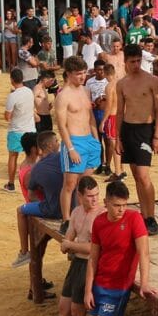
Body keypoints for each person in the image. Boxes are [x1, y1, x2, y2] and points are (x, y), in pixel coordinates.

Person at [72, 179, 157, 316]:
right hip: (99, 284)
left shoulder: (134, 219)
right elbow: (93, 258)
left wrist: (144, 282)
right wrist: (88, 289)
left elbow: (144, 254)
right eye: (117, 205)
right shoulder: (99, 223)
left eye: (124, 205)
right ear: (107, 203)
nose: (122, 210)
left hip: (118, 288)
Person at [31, 174, 105, 316]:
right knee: (64, 307)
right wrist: (69, 243)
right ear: (80, 196)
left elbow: (95, 248)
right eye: (90, 196)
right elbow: (70, 236)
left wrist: (70, 245)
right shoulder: (77, 212)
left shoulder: (100, 216)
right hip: (77, 265)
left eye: (96, 195)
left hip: (88, 266)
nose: (94, 199)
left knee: (76, 312)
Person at [115, 44, 158, 234]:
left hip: (145, 129)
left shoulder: (152, 81)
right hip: (128, 129)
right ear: (125, 61)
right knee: (136, 176)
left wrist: (157, 136)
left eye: (138, 61)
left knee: (144, 176)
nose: (136, 64)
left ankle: (151, 216)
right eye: (132, 61)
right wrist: (118, 138)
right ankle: (144, 215)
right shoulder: (122, 84)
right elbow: (119, 111)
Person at [53, 56, 102, 224]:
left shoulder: (86, 90)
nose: (82, 77)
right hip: (74, 141)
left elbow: (90, 118)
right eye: (78, 74)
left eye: (84, 73)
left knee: (85, 185)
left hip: (89, 140)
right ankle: (66, 220)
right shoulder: (63, 96)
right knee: (69, 184)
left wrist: (96, 141)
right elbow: (62, 125)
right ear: (68, 74)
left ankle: (83, 218)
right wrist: (71, 148)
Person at [11, 131, 64, 267]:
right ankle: (35, 282)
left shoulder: (29, 166)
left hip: (41, 207)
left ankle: (25, 254)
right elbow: (33, 195)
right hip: (41, 210)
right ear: (35, 149)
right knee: (38, 252)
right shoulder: (32, 169)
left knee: (39, 251)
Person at [3, 68, 36, 192]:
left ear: (12, 79)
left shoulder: (12, 96)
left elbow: (7, 117)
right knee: (32, 157)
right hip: (30, 129)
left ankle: (11, 184)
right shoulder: (29, 91)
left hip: (16, 130)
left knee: (13, 156)